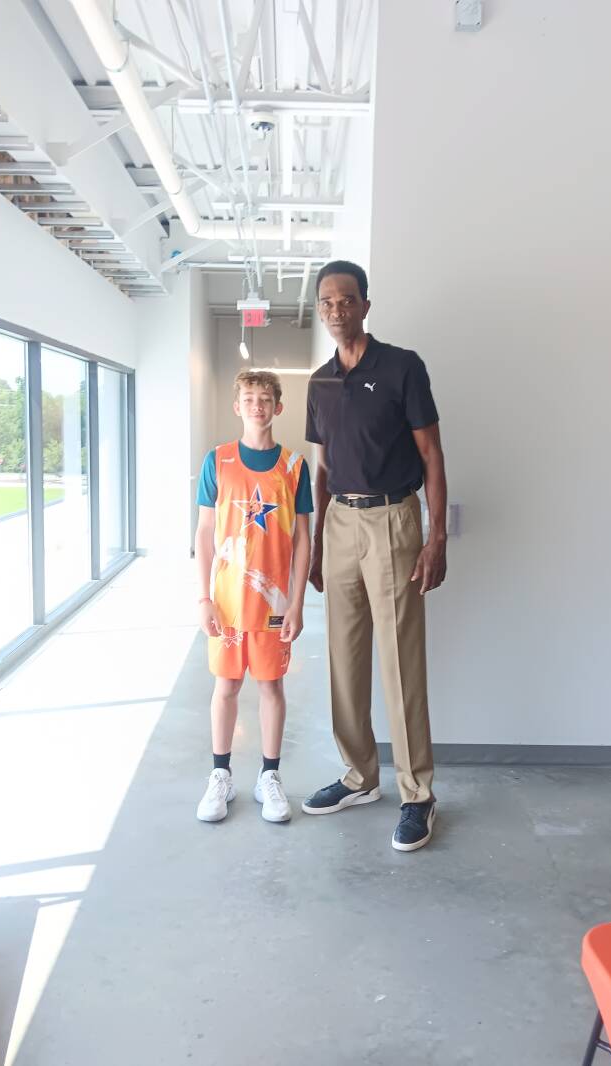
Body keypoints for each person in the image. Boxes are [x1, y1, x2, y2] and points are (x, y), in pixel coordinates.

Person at [303, 260, 448, 852]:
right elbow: (322, 469)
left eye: (346, 299)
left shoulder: (402, 367)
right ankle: (359, 775)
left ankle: (418, 793)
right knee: (344, 654)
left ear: (365, 305)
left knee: (399, 658)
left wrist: (436, 537)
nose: (337, 309)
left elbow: (432, 453)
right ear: (320, 310)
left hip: (393, 519)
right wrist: (316, 543)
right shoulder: (320, 383)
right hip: (340, 521)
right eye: (327, 301)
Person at [194, 369, 313, 824]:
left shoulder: (294, 467)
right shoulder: (218, 461)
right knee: (225, 686)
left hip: (274, 605)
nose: (257, 406)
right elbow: (205, 532)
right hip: (227, 601)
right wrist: (203, 597)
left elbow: (303, 539)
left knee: (271, 686)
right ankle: (220, 775)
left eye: (265, 399)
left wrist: (297, 602)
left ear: (277, 407)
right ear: (237, 406)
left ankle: (269, 776)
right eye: (248, 398)